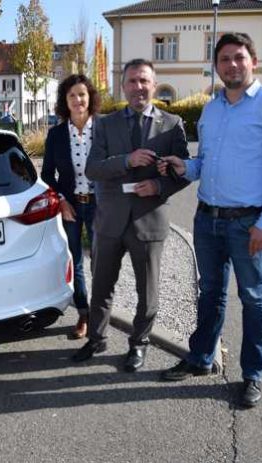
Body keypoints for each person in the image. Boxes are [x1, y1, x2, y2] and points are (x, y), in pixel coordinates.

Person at [158, 33, 262, 408]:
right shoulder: (212, 108)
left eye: (239, 57)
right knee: (210, 294)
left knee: (253, 298)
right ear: (216, 66)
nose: (231, 65)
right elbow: (206, 163)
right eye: (224, 60)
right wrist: (184, 167)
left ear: (253, 60)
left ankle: (253, 374)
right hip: (208, 220)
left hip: (247, 223)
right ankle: (201, 358)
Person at [71, 59, 190, 372]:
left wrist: (158, 185)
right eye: (133, 81)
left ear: (154, 84)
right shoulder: (105, 124)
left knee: (147, 291)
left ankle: (139, 345)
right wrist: (127, 160)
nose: (139, 87)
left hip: (149, 219)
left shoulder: (172, 123)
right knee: (101, 285)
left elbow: (185, 171)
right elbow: (93, 168)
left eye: (145, 81)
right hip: (110, 219)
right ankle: (96, 339)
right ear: (123, 86)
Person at [41, 74, 101, 339]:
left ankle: (101, 314)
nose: (78, 100)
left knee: (101, 261)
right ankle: (84, 315)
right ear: (65, 101)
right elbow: (46, 175)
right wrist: (62, 201)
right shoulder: (55, 135)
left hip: (100, 204)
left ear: (90, 98)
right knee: (75, 261)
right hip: (72, 205)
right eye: (72, 95)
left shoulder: (104, 129)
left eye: (82, 94)